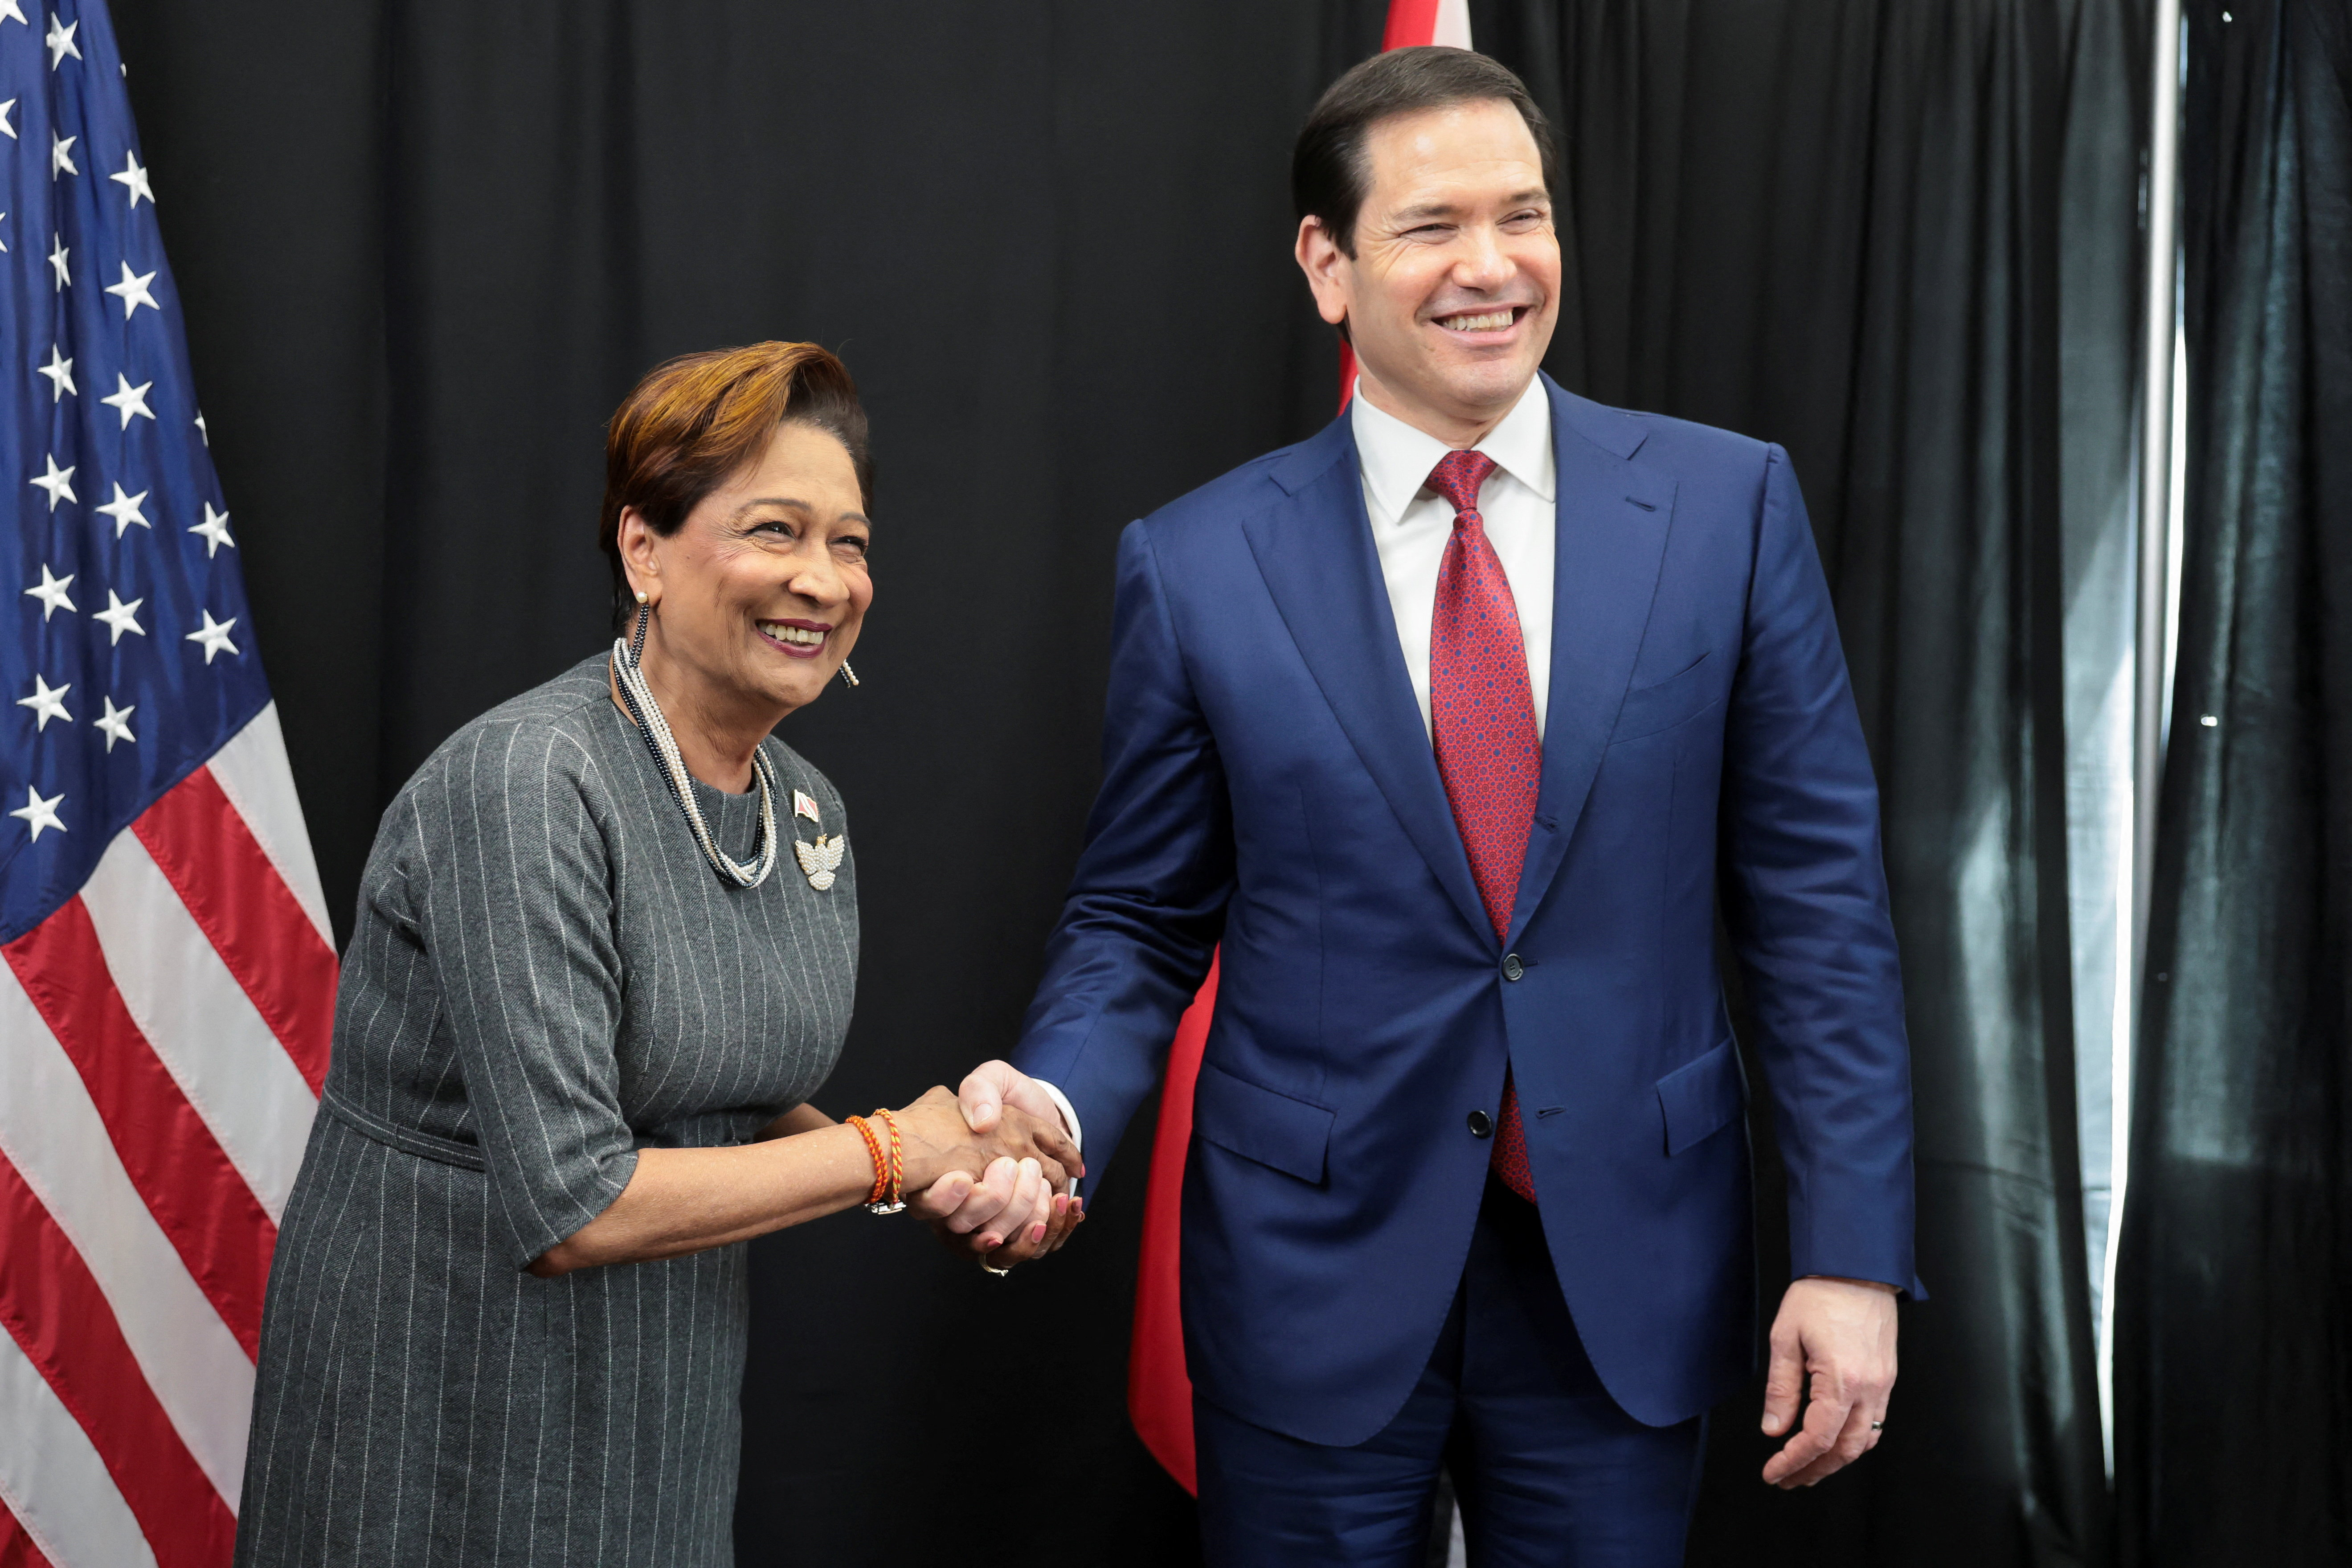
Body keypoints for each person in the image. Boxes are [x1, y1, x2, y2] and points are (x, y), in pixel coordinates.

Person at [948, 48, 1921, 1566]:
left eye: (1523, 216)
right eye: (1430, 228)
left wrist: (1855, 1253)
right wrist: (1057, 1104)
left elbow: (1821, 912)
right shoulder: (1200, 564)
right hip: (1310, 1271)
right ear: (1328, 267)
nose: (1493, 267)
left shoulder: (1729, 509)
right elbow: (1141, 915)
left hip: (1630, 1269)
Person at [234, 342, 1082, 1568]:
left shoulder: (806, 808)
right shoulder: (528, 784)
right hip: (444, 1413)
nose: (822, 578)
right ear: (644, 551)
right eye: (774, 530)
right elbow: (576, 1199)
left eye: (849, 543)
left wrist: (958, 1173)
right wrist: (896, 1146)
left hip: (658, 1410)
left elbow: (715, 1083)